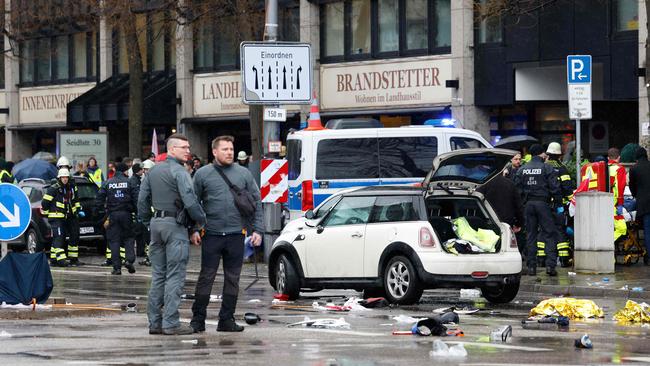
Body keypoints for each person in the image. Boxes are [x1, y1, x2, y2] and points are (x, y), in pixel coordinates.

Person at [190, 135, 263, 333]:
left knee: (233, 279)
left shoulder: (244, 174)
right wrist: (195, 229)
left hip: (236, 234)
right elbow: (193, 204)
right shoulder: (202, 174)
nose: (229, 152)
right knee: (207, 277)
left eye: (231, 149)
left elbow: (256, 202)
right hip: (211, 234)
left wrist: (257, 230)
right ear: (214, 152)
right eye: (225, 149)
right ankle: (198, 320)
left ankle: (226, 320)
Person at [138, 133, 206, 336]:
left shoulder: (153, 171)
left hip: (156, 225)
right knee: (175, 276)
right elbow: (191, 201)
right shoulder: (180, 172)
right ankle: (171, 323)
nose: (188, 151)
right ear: (172, 149)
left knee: (158, 275)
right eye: (184, 147)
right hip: (175, 227)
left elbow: (142, 200)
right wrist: (201, 221)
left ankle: (155, 323)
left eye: (188, 147)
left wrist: (146, 221)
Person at [514, 144, 561, 277]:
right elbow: (555, 188)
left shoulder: (522, 169)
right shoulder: (547, 167)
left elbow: (517, 190)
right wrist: (558, 205)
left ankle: (531, 267)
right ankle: (550, 267)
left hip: (528, 205)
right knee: (549, 234)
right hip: (543, 204)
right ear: (542, 154)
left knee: (531, 235)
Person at [96, 163, 138, 275]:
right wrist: (136, 212)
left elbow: (99, 199)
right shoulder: (130, 182)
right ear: (124, 171)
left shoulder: (108, 182)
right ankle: (129, 260)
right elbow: (136, 199)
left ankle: (116, 268)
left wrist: (103, 212)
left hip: (113, 215)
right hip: (127, 215)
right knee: (129, 238)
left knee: (114, 241)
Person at [539, 142, 575, 267]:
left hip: (543, 205)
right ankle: (564, 259)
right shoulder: (562, 168)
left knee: (543, 231)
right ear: (559, 155)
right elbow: (567, 188)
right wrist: (571, 201)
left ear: (548, 153)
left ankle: (541, 259)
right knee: (560, 230)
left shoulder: (543, 167)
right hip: (558, 205)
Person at [477, 168, 525, 257]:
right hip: (506, 222)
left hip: (487, 221)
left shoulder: (482, 185)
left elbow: (477, 204)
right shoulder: (510, 184)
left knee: (488, 248)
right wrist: (519, 223)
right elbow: (518, 206)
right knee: (504, 248)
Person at [42, 168, 83, 267]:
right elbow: (44, 203)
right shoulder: (53, 189)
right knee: (59, 238)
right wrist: (49, 213)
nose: (65, 179)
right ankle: (61, 260)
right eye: (63, 177)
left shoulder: (69, 188)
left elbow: (73, 200)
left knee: (61, 237)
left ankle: (54, 260)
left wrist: (77, 211)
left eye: (66, 177)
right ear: (59, 178)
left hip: (64, 217)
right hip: (55, 217)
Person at [628, 147, 650, 265]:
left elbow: (632, 186)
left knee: (648, 231)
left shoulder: (634, 169)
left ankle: (649, 257)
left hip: (644, 204)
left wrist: (637, 196)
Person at [608, 147, 628, 242]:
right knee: (622, 229)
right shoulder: (619, 169)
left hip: (603, 203)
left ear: (608, 158)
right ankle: (606, 244)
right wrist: (620, 204)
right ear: (619, 157)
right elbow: (621, 187)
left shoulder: (602, 169)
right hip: (614, 205)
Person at [129, 163, 148, 260]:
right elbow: (137, 198)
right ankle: (139, 252)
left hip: (137, 211)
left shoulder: (136, 180)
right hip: (137, 211)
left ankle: (140, 251)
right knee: (139, 232)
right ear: (138, 171)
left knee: (140, 232)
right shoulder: (134, 181)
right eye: (142, 169)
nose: (143, 171)